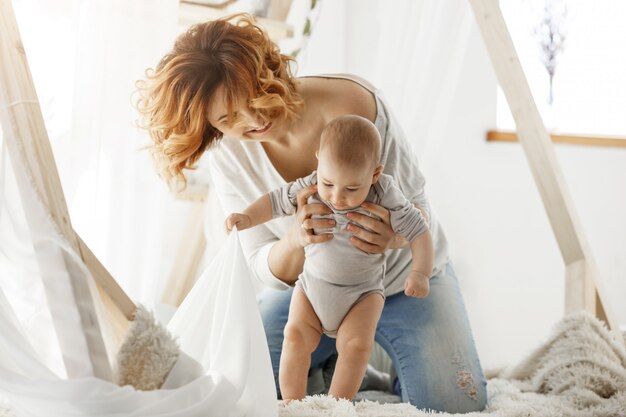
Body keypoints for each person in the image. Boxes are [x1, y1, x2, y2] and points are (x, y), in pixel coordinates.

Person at [136, 13, 487, 412]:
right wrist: (296, 238)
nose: (253, 120)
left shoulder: (354, 107)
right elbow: (260, 264)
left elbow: (418, 204)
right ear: (211, 127)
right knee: (234, 389)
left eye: (252, 97)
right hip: (314, 289)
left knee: (454, 405)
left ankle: (373, 355)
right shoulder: (229, 152)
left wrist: (393, 238)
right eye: (227, 118)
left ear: (265, 71)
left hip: (403, 283)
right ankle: (332, 358)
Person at [225, 114, 434, 401]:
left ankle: (338, 404)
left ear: (374, 174)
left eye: (351, 189)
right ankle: (292, 404)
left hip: (361, 295)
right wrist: (247, 217)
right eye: (329, 183)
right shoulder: (311, 185)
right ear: (318, 161)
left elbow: (420, 231)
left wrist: (420, 273)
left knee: (356, 347)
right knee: (295, 337)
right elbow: (275, 202)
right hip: (312, 289)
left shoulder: (385, 193)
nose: (337, 196)